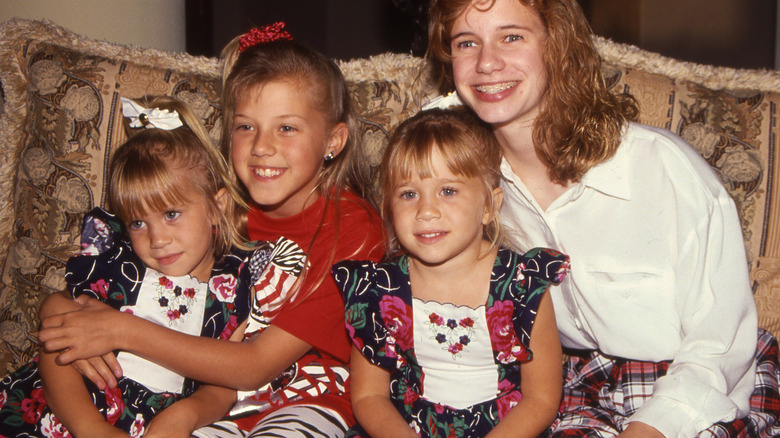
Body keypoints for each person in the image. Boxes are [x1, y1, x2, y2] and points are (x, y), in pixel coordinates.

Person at [425, 0, 780, 437]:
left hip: (697, 385)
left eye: (511, 36)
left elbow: (720, 346)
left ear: (558, 45)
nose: (487, 62)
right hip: (578, 385)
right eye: (466, 42)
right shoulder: (467, 185)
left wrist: (650, 428)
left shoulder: (663, 168)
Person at [38, 22, 385, 438]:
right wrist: (58, 311)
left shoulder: (354, 229)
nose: (261, 146)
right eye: (245, 126)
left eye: (286, 127)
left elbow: (255, 364)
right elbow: (113, 277)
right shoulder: (216, 207)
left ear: (333, 140)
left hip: (304, 395)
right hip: (208, 397)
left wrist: (119, 330)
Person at [0, 96, 264, 437]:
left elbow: (225, 385)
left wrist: (184, 415)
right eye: (138, 222)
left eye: (171, 214)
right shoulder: (117, 264)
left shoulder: (238, 283)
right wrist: (90, 428)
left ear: (217, 205)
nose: (156, 239)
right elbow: (55, 343)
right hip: (64, 418)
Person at [332, 107, 570, 437]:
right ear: (389, 206)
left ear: (489, 205)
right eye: (409, 194)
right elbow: (369, 396)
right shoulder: (376, 289)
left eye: (448, 190)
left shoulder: (521, 286)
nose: (426, 211)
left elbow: (541, 399)